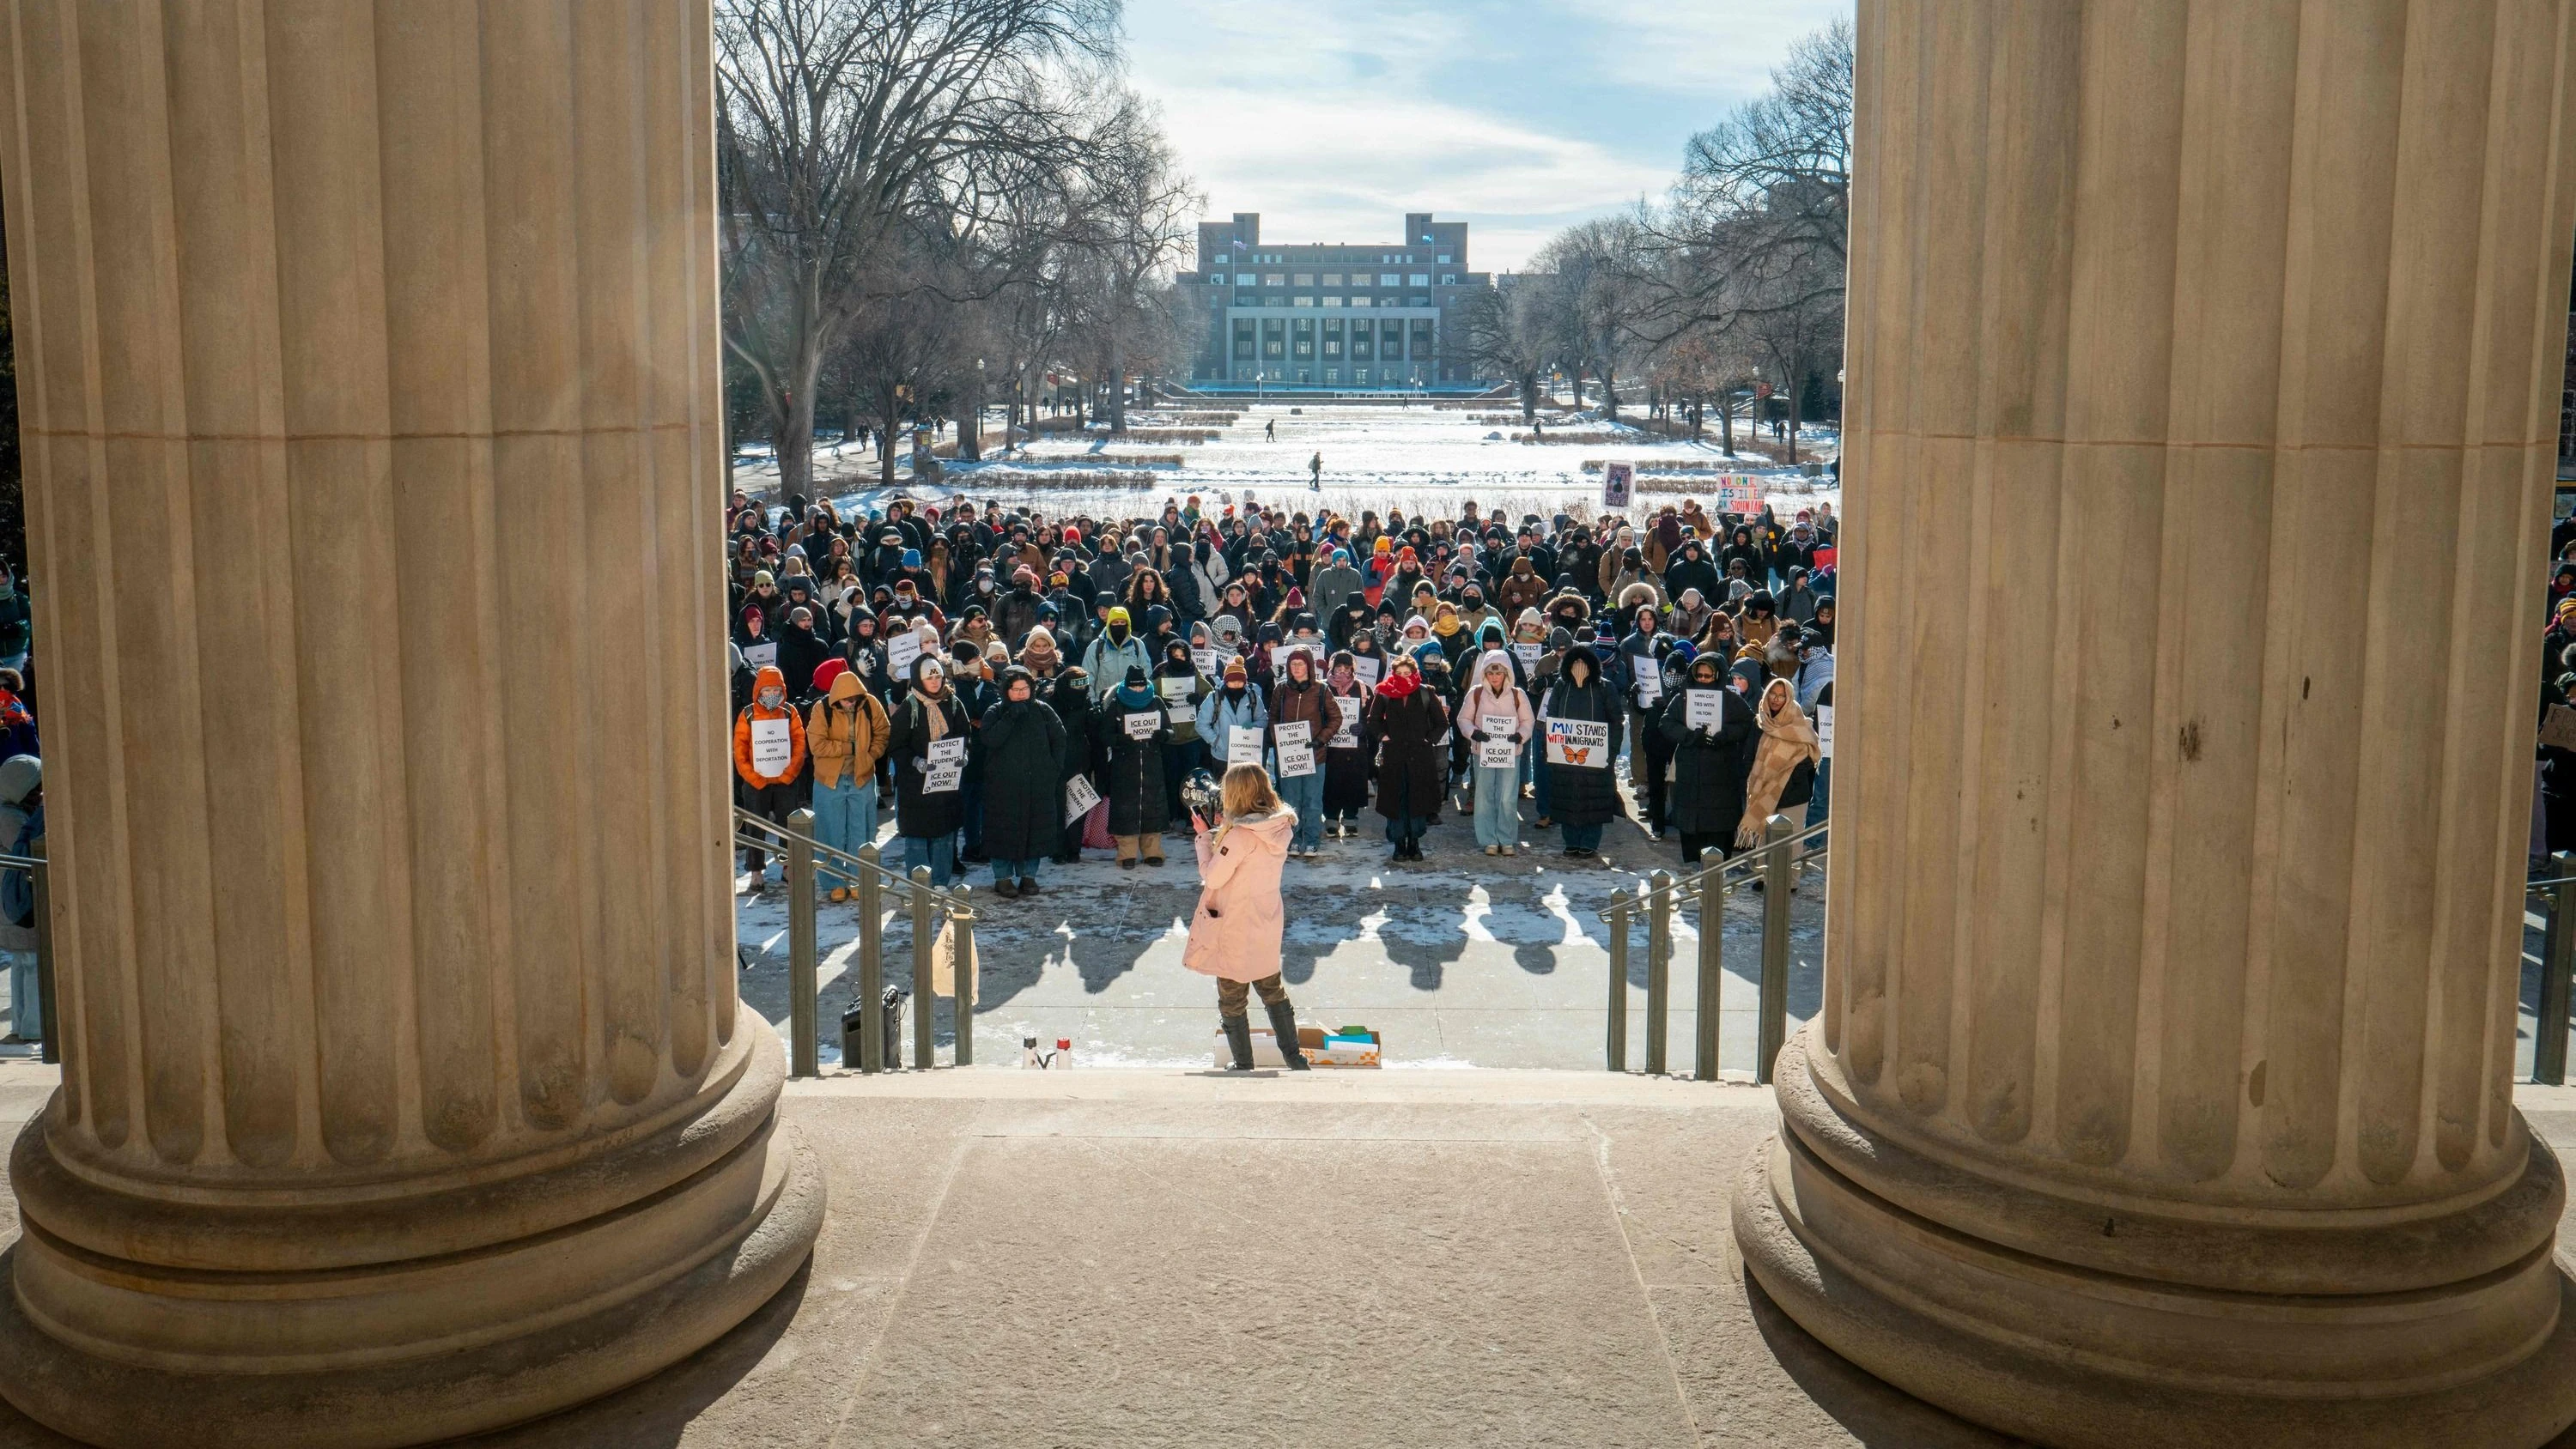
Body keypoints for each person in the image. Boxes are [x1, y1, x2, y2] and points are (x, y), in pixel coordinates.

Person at [1186, 762, 1309, 1072]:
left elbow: (1212, 877)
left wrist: (1204, 838)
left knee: (1232, 995)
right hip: (1265, 919)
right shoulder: (1279, 827)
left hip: (1235, 924)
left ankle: (1243, 1063)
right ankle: (1295, 1059)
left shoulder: (1240, 837)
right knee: (1271, 988)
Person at [978, 666, 1067, 898]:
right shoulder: (995, 711)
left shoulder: (1043, 711)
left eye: (1024, 689)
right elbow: (989, 739)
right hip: (1003, 787)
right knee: (1002, 833)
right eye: (1015, 689)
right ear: (1006, 690)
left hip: (1037, 784)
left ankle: (1029, 876)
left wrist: (1053, 769)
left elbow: (1059, 739)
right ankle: (1003, 878)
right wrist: (1009, 718)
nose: (1019, 694)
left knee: (1034, 832)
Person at [1662, 653, 1758, 864]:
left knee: (1719, 824)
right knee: (1691, 826)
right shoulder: (1683, 698)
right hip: (1690, 770)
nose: (1704, 680)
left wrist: (1726, 736)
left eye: (1708, 676)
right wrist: (1689, 736)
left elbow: (1747, 723)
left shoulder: (1732, 700)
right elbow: (1666, 723)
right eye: (1700, 676)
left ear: (1718, 675)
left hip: (1722, 771)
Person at [805, 663, 888, 898]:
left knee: (862, 832)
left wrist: (871, 754)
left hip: (861, 778)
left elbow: (883, 732)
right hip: (829, 780)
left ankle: (860, 880)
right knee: (829, 833)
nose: (850, 703)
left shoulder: (871, 704)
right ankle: (833, 884)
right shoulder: (822, 709)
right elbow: (816, 745)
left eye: (853, 699)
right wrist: (850, 748)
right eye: (846, 700)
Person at [885, 654, 969, 886]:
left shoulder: (953, 703)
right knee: (917, 840)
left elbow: (965, 736)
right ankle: (919, 886)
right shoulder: (909, 708)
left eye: (938, 676)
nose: (934, 682)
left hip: (946, 784)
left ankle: (941, 884)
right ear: (918, 680)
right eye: (929, 677)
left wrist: (963, 755)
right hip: (916, 787)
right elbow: (896, 746)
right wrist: (917, 763)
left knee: (944, 836)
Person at [1538, 645, 1622, 858]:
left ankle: (1590, 842)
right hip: (1566, 754)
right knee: (1568, 797)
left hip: (1596, 756)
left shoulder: (1605, 687)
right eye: (1575, 664)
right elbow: (1552, 716)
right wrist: (1550, 748)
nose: (1579, 668)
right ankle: (1571, 840)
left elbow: (1616, 721)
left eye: (1584, 664)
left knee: (1594, 799)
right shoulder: (1561, 686)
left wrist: (1611, 752)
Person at [732, 665, 807, 888]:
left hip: (785, 782)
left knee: (787, 826)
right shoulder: (748, 714)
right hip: (757, 782)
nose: (772, 695)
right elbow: (740, 749)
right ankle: (756, 871)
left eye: (776, 690)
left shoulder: (789, 712)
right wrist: (753, 778)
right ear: (758, 691)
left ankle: (787, 867)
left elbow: (799, 744)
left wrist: (789, 773)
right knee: (755, 825)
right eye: (767, 691)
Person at [1368, 653, 1449, 862]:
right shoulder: (1384, 693)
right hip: (1393, 756)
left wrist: (1428, 740)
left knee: (1418, 800)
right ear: (1394, 674)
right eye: (1399, 673)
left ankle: (1414, 842)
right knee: (1396, 800)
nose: (1404, 677)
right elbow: (1373, 720)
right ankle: (1398, 843)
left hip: (1420, 757)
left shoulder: (1426, 693)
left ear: (1415, 673)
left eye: (1407, 673)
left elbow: (1442, 722)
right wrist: (1383, 736)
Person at [1458, 649, 1533, 855]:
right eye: (1490, 673)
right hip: (1483, 752)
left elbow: (1528, 721)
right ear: (1485, 674)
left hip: (1511, 754)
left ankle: (1506, 839)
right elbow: (1463, 719)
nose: (1494, 677)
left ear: (1506, 673)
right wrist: (1474, 733)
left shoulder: (1518, 695)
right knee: (1484, 796)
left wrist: (1520, 735)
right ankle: (1489, 839)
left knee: (1507, 797)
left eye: (1498, 673)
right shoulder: (1476, 693)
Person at [1269, 649, 1341, 859]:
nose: (1297, 668)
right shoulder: (1281, 690)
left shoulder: (1321, 690)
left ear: (1309, 666)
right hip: (1289, 756)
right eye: (1293, 664)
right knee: (1291, 801)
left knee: (1312, 800)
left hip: (1315, 755)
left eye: (1301, 664)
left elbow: (1336, 718)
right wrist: (1279, 739)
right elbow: (1272, 717)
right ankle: (1292, 839)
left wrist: (1320, 740)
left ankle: (1311, 840)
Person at [1739, 676, 1823, 849]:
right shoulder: (1759, 722)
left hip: (1793, 794)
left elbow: (1810, 758)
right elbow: (1749, 756)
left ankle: (1790, 877)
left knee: (1790, 848)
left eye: (1782, 695)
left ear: (1789, 698)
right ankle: (1764, 876)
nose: (1776, 699)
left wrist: (1783, 774)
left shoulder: (1800, 724)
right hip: (1762, 790)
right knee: (1763, 845)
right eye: (1773, 694)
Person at [1101, 664, 1171, 868]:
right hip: (1125, 765)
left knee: (1153, 807)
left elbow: (1169, 729)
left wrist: (1163, 735)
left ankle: (1153, 851)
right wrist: (1120, 740)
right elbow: (1104, 735)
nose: (1138, 690)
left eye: (1141, 687)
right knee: (1126, 810)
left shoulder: (1156, 702)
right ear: (1127, 686)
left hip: (1152, 763)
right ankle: (1126, 853)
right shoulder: (1117, 704)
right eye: (1134, 687)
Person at [0, 755, 39, 1046]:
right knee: (33, 965)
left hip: (9, 907)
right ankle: (33, 1028)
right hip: (19, 903)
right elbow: (27, 854)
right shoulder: (11, 817)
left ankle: (21, 1027)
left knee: (22, 964)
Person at [1320, 651, 1373, 839]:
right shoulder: (1323, 688)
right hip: (1331, 746)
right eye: (1338, 668)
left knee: (1353, 782)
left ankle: (1351, 819)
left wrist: (1364, 727)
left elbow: (1373, 716)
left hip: (1355, 746)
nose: (1342, 671)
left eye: (1346, 668)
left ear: (1352, 669)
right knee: (1330, 782)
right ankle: (1331, 819)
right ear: (1332, 668)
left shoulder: (1363, 688)